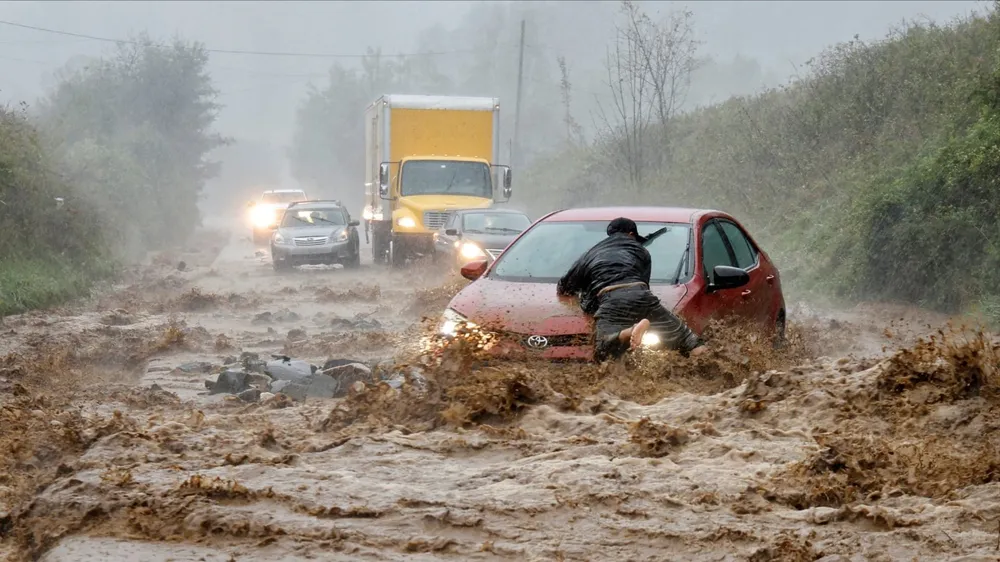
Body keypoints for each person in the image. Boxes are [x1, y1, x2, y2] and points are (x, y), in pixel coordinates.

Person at [556, 217, 708, 362]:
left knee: (602, 350)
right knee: (688, 340)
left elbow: (565, 286)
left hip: (611, 298)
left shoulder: (590, 254)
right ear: (631, 234)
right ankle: (710, 369)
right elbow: (644, 283)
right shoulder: (642, 251)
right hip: (642, 295)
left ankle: (629, 332)